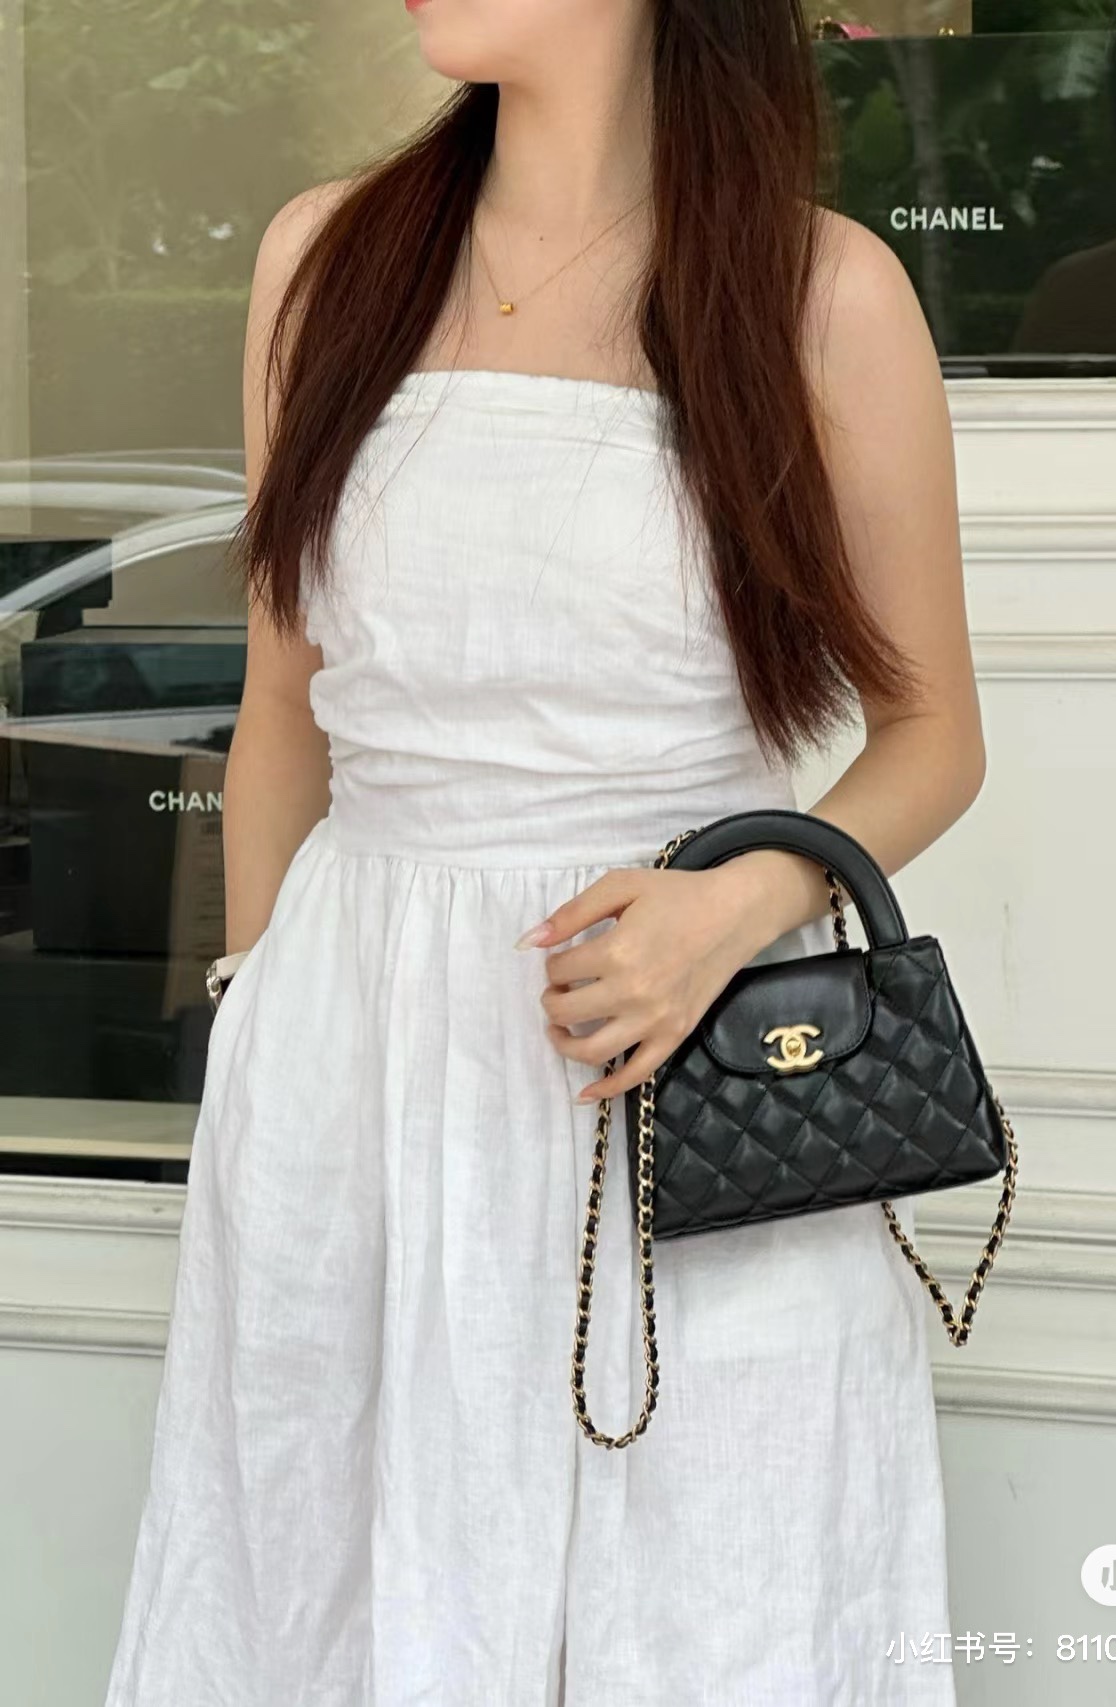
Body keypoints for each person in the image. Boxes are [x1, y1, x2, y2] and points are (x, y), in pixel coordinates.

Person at [103, 2, 986, 1703]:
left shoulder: (822, 292)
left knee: (709, 1606)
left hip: (684, 1071)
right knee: (325, 1590)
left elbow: (935, 735)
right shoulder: (327, 260)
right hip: (352, 1065)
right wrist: (256, 1004)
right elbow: (284, 705)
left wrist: (738, 905)